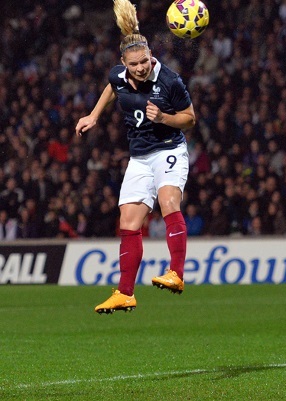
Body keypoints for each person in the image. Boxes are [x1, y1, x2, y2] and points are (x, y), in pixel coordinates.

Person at [76, 0, 196, 314]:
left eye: (144, 62)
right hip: (140, 158)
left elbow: (190, 118)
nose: (140, 68)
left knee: (169, 201)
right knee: (128, 221)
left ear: (150, 56)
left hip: (169, 149)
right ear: (124, 63)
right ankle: (125, 292)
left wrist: (165, 119)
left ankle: (177, 274)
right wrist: (93, 115)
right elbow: (111, 86)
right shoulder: (119, 75)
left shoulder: (170, 81)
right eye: (134, 65)